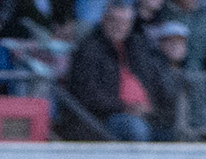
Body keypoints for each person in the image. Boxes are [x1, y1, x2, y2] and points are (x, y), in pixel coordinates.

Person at [59, 0, 179, 140]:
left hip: (144, 114)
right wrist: (125, 107)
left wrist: (153, 107)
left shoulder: (138, 47)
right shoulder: (89, 49)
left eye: (125, 22)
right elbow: (87, 94)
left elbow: (155, 82)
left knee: (172, 131)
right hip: (103, 118)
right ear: (104, 20)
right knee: (135, 128)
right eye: (114, 21)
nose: (119, 27)